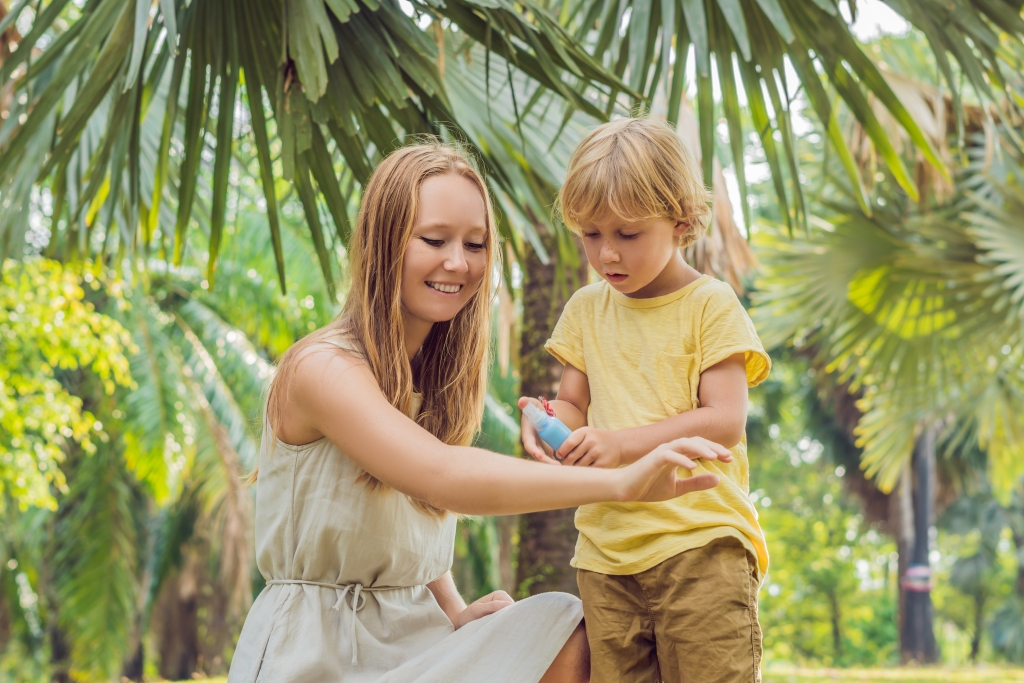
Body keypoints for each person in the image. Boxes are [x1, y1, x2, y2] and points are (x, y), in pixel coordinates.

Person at [227, 140, 734, 683]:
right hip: (317, 654)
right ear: (383, 243)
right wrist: (621, 483)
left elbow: (406, 520)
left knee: (569, 628)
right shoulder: (322, 370)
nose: (458, 263)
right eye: (434, 239)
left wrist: (453, 611)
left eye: (475, 244)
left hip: (417, 638)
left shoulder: (433, 381)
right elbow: (440, 476)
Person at [518, 117, 772, 683]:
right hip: (606, 554)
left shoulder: (711, 304)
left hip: (701, 545)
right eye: (590, 234)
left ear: (681, 222)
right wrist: (550, 423)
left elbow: (725, 420)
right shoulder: (585, 309)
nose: (607, 253)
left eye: (628, 235)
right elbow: (575, 406)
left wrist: (619, 444)